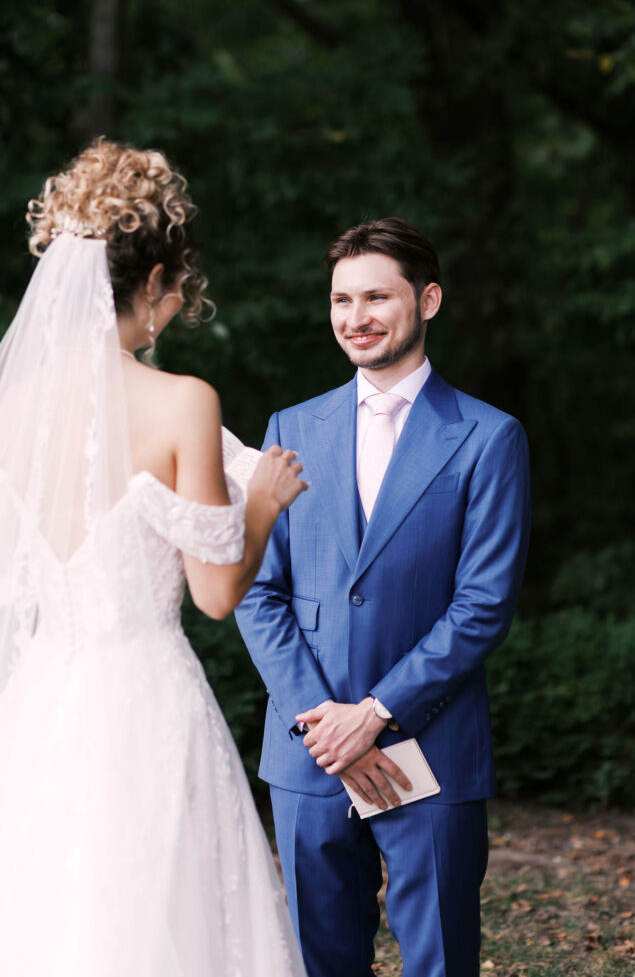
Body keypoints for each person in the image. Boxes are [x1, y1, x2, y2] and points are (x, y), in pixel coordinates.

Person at [0, 139, 309, 976]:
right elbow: (218, 593)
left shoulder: (11, 417)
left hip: (36, 706)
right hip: (146, 701)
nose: (176, 306)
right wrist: (260, 507)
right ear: (151, 284)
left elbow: (3, 581)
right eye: (177, 290)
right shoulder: (184, 400)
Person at [235, 217, 531, 977]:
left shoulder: (488, 438)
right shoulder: (290, 426)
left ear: (427, 300)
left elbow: (482, 605)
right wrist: (323, 725)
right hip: (310, 756)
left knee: (438, 957)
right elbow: (257, 590)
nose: (355, 317)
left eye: (376, 296)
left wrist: (374, 715)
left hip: (427, 744)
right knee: (319, 960)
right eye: (340, 299)